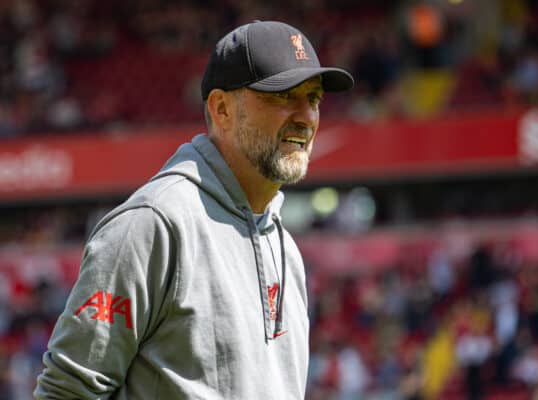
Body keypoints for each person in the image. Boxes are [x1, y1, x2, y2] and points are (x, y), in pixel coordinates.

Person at [33, 20, 353, 399]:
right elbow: (66, 392)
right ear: (221, 109)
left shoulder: (285, 247)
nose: (306, 116)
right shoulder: (152, 224)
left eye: (313, 99)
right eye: (284, 96)